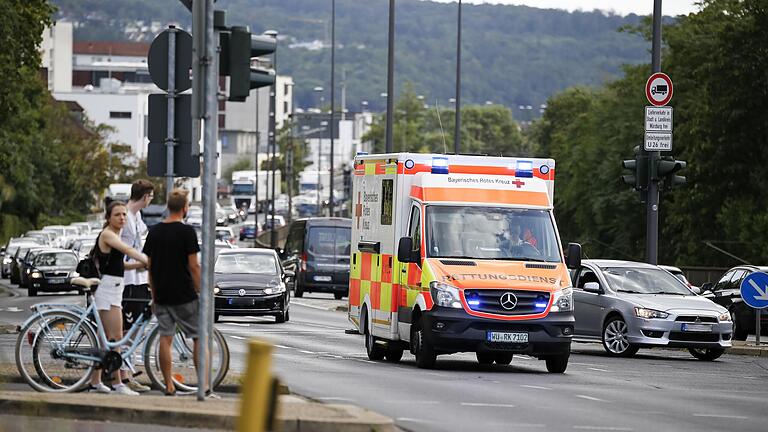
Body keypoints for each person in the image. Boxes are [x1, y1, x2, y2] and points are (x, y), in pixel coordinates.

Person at [142, 189, 208, 396]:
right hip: (184, 295)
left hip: (161, 294)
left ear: (168, 207)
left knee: (165, 338)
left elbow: (150, 266)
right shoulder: (187, 232)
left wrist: (153, 294)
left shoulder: (154, 232)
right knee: (199, 337)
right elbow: (194, 266)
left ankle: (168, 385)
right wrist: (201, 290)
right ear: (185, 208)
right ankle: (204, 384)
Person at [89, 201, 149, 395]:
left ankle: (95, 382)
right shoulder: (108, 234)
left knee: (104, 339)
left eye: (124, 214)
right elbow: (128, 251)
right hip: (107, 290)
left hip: (114, 287)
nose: (122, 218)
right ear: (108, 218)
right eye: (117, 215)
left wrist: (137, 267)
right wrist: (147, 259)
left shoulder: (116, 233)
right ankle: (117, 384)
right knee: (116, 338)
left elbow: (118, 265)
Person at [119, 180, 155, 393]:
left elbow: (139, 246)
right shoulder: (124, 217)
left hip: (138, 278)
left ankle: (127, 371)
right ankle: (124, 375)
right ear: (145, 196)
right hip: (127, 280)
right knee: (127, 329)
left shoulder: (137, 217)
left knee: (137, 328)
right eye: (150, 196)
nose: (151, 200)